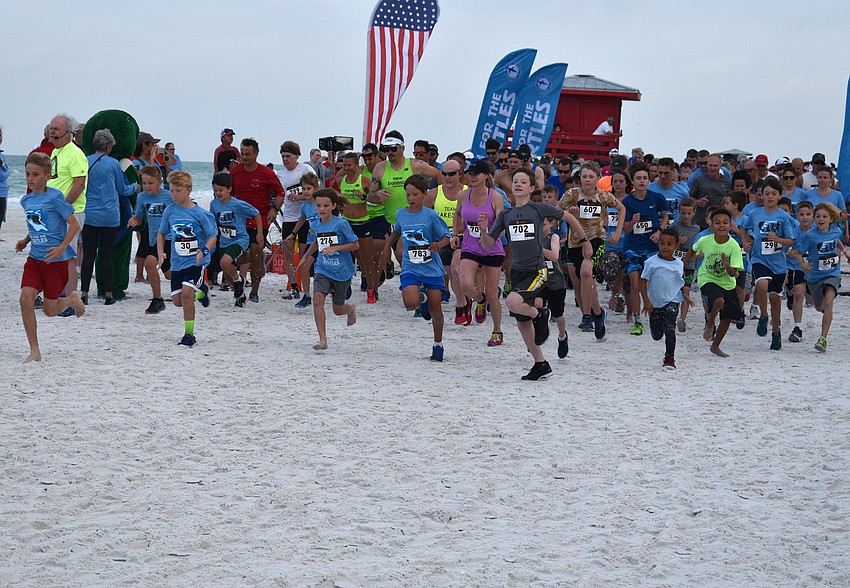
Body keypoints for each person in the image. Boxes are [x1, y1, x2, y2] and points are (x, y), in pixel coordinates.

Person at [479, 168, 591, 381]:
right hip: (517, 272)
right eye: (515, 181)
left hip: (537, 270)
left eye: (523, 182)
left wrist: (585, 240)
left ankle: (540, 315)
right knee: (522, 322)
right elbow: (487, 244)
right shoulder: (506, 215)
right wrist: (484, 229)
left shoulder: (538, 209)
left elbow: (568, 217)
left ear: (531, 188)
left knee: (512, 301)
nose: (518, 184)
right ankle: (540, 364)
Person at [16, 152, 86, 363]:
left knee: (49, 310)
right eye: (27, 174)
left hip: (55, 261)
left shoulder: (55, 198)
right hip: (35, 259)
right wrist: (25, 241)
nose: (30, 179)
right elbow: (36, 225)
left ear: (47, 176)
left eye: (35, 174)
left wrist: (62, 247)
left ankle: (71, 299)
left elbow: (74, 224)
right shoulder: (26, 200)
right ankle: (34, 350)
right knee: (25, 299)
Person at [379, 174, 451, 362]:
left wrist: (438, 245)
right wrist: (386, 249)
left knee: (436, 310)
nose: (411, 198)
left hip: (431, 267)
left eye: (415, 194)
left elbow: (446, 236)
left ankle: (438, 344)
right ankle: (422, 298)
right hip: (411, 265)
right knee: (410, 303)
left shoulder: (431, 215)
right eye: (408, 194)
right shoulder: (401, 214)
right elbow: (397, 232)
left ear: (424, 194)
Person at [559, 162, 624, 338]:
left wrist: (617, 231)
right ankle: (598, 313)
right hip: (575, 242)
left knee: (586, 272)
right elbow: (557, 210)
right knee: (582, 280)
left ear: (597, 178)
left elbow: (621, 208)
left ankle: (587, 315)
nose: (587, 180)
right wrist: (569, 211)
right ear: (580, 178)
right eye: (584, 176)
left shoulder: (603, 195)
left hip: (597, 239)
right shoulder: (572, 194)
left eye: (591, 176)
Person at [157, 171, 217, 347]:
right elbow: (161, 233)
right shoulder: (169, 211)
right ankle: (202, 292)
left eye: (178, 190)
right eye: (172, 190)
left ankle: (189, 335)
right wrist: (160, 252)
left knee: (186, 295)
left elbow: (213, 236)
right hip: (177, 262)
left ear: (189, 190)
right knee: (178, 301)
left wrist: (203, 251)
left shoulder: (200, 214)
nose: (174, 194)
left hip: (195, 262)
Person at [81, 129, 139, 305]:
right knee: (107, 255)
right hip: (109, 216)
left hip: (89, 215)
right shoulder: (113, 164)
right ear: (108, 146)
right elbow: (122, 189)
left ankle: (84, 293)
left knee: (89, 255)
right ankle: (108, 294)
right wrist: (135, 187)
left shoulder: (85, 161)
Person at [738, 177, 797, 350]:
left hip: (778, 264)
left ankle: (776, 331)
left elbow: (791, 241)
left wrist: (777, 239)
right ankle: (763, 315)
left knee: (775, 299)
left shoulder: (784, 217)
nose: (770, 197)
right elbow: (744, 228)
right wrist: (745, 242)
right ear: (761, 195)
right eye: (767, 193)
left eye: (773, 194)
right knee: (762, 285)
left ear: (780, 196)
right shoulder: (755, 213)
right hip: (759, 258)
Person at [295, 189, 359, 350]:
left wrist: (336, 248)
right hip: (322, 268)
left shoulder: (341, 224)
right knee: (317, 300)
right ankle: (322, 340)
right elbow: (316, 242)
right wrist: (305, 257)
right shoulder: (315, 224)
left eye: (325, 205)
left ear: (334, 206)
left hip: (342, 271)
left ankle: (350, 309)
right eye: (318, 206)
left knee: (338, 309)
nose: (321, 209)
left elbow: (355, 244)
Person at [452, 159, 505, 345]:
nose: (472, 177)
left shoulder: (495, 197)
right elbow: (458, 213)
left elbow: (502, 226)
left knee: (492, 294)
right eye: (470, 174)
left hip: (491, 247)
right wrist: (455, 233)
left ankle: (497, 331)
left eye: (476, 174)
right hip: (470, 246)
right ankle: (480, 300)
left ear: (485, 176)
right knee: (465, 283)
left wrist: (485, 231)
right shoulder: (463, 195)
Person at [682, 208, 744, 357]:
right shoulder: (705, 240)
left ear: (730, 225)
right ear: (711, 225)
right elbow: (692, 250)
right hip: (707, 277)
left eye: (725, 222)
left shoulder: (734, 246)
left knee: (727, 317)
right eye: (717, 222)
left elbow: (733, 273)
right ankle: (710, 323)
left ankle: (715, 346)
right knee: (718, 300)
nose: (721, 225)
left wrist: (726, 264)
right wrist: (682, 266)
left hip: (727, 282)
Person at [230, 138, 285, 303]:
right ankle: (244, 276)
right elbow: (228, 194)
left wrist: (274, 209)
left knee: (255, 251)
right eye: (242, 154)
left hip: (259, 220)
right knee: (234, 257)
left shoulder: (266, 173)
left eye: (248, 154)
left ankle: (254, 292)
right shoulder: (235, 172)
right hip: (239, 220)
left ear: (256, 154)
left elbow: (280, 193)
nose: (244, 157)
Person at [794, 202, 850, 352]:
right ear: (814, 219)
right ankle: (825, 311)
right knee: (820, 307)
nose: (821, 219)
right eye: (818, 216)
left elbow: (837, 241)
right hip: (814, 277)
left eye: (824, 216)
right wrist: (802, 265)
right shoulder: (810, 236)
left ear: (830, 219)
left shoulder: (836, 230)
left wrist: (845, 253)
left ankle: (822, 339)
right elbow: (798, 253)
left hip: (832, 273)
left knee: (829, 302)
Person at [47, 113, 88, 303]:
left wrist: (62, 209)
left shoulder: (75, 153)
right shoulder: (56, 152)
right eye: (51, 128)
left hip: (71, 213)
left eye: (56, 129)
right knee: (55, 255)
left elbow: (79, 185)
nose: (52, 132)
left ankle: (70, 301)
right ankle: (58, 295)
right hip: (56, 213)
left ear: (68, 133)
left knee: (68, 257)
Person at [622, 163, 668, 334]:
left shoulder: (657, 198)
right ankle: (637, 321)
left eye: (645, 178)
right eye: (638, 178)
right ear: (632, 181)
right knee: (635, 284)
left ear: (649, 180)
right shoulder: (627, 201)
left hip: (651, 247)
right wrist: (632, 222)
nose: (642, 181)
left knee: (652, 284)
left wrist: (659, 231)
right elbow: (626, 229)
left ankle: (655, 315)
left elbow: (665, 216)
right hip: (632, 247)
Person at [640, 228, 694, 369]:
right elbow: (643, 282)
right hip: (655, 304)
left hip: (672, 300)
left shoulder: (679, 263)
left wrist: (686, 296)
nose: (665, 247)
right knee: (657, 335)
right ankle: (658, 329)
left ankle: (669, 358)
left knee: (670, 328)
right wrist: (646, 301)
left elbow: (679, 282)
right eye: (662, 243)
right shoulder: (651, 262)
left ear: (676, 246)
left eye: (669, 244)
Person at [209, 172, 262, 308]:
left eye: (221, 190)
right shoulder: (214, 204)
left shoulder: (238, 204)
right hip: (224, 241)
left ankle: (239, 280)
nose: (218, 193)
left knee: (224, 262)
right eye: (215, 190)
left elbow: (256, 213)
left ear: (229, 189)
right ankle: (240, 296)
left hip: (240, 239)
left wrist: (259, 234)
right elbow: (213, 221)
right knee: (227, 276)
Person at [128, 166, 173, 314]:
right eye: (144, 183)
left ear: (160, 182)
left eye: (151, 183)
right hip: (154, 240)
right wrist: (134, 220)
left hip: (171, 238)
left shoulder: (170, 196)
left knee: (159, 268)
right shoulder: (142, 197)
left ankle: (158, 300)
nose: (147, 186)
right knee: (159, 269)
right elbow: (139, 218)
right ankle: (158, 300)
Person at [275, 140, 317, 300]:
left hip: (306, 216)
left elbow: (317, 190)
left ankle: (306, 287)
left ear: (297, 156)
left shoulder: (306, 169)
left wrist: (301, 196)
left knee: (304, 253)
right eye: (283, 156)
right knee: (288, 251)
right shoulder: (280, 174)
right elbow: (279, 195)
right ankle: (294, 287)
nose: (285, 159)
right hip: (289, 217)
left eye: (288, 156)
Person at [425, 159, 466, 319]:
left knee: (456, 269)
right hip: (442, 239)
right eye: (444, 174)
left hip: (464, 237)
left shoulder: (468, 192)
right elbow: (424, 217)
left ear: (460, 174)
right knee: (449, 272)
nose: (447, 177)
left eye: (451, 174)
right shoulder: (434, 193)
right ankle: (462, 301)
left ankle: (462, 303)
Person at [284, 173, 321, 308]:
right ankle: (307, 296)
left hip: (325, 240)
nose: (305, 191)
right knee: (304, 265)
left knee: (329, 266)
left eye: (308, 188)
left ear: (316, 189)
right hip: (312, 241)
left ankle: (342, 284)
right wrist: (293, 233)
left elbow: (330, 218)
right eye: (303, 189)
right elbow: (302, 218)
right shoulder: (304, 206)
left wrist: (317, 228)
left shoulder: (321, 203)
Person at [601, 169, 632, 316]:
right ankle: (615, 293)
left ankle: (623, 300)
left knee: (626, 277)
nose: (618, 184)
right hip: (610, 243)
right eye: (615, 181)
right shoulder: (606, 200)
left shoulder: (631, 201)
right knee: (610, 271)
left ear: (626, 183)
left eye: (621, 181)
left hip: (628, 243)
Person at [670, 198, 700, 332]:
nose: (686, 216)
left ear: (694, 212)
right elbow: (666, 241)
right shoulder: (675, 226)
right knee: (674, 291)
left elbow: (699, 248)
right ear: (679, 212)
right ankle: (672, 315)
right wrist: (677, 240)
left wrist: (693, 255)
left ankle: (682, 319)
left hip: (689, 266)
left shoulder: (697, 229)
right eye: (683, 213)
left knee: (686, 291)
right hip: (674, 265)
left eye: (689, 213)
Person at [541, 216, 569, 359]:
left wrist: (538, 249)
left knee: (557, 314)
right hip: (539, 279)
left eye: (544, 224)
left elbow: (554, 256)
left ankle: (562, 336)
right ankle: (537, 336)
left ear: (551, 224)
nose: (541, 227)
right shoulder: (532, 237)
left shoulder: (554, 237)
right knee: (537, 307)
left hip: (555, 280)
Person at [786, 200, 813, 342]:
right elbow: (788, 247)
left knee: (811, 300)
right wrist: (790, 252)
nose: (805, 217)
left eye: (808, 214)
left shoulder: (818, 229)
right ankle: (797, 327)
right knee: (798, 293)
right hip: (799, 266)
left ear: (813, 215)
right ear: (797, 216)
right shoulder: (794, 232)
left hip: (816, 268)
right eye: (802, 214)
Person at [689, 153, 732, 229]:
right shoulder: (698, 179)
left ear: (720, 166)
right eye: (710, 165)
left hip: (720, 223)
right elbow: (690, 198)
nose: (713, 168)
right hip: (701, 222)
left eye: (715, 165)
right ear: (707, 165)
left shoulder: (727, 182)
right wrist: (697, 202)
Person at [0, 125, 8, 235]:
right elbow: (2, 174)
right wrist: (7, 173)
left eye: (1, 135)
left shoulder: (1, 154)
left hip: (3, 192)